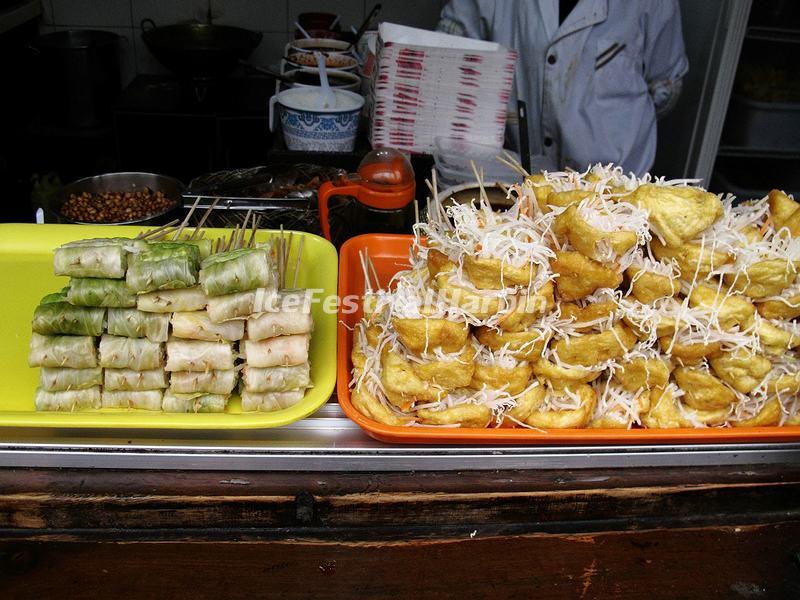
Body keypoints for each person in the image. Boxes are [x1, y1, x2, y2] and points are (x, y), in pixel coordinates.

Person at [437, 0, 688, 175]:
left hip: (618, 188)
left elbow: (665, 87)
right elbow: (449, 55)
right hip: (518, 177)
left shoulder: (651, 4)